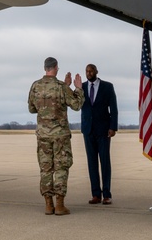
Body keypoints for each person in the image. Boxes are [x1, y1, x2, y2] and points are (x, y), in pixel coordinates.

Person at [28, 56, 83, 215]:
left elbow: (32, 109)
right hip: (60, 136)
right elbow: (76, 105)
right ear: (56, 67)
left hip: (43, 135)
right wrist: (77, 88)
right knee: (61, 168)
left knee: (46, 169)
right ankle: (59, 205)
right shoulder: (60, 87)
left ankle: (48, 204)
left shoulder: (36, 86)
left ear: (45, 68)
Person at [81, 63, 118, 205]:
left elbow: (113, 108)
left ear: (96, 71)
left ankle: (107, 194)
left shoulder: (107, 86)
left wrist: (113, 127)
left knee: (105, 162)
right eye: (87, 71)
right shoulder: (82, 88)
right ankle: (95, 194)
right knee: (91, 163)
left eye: (91, 71)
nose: (89, 73)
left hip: (103, 130)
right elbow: (76, 104)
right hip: (88, 130)